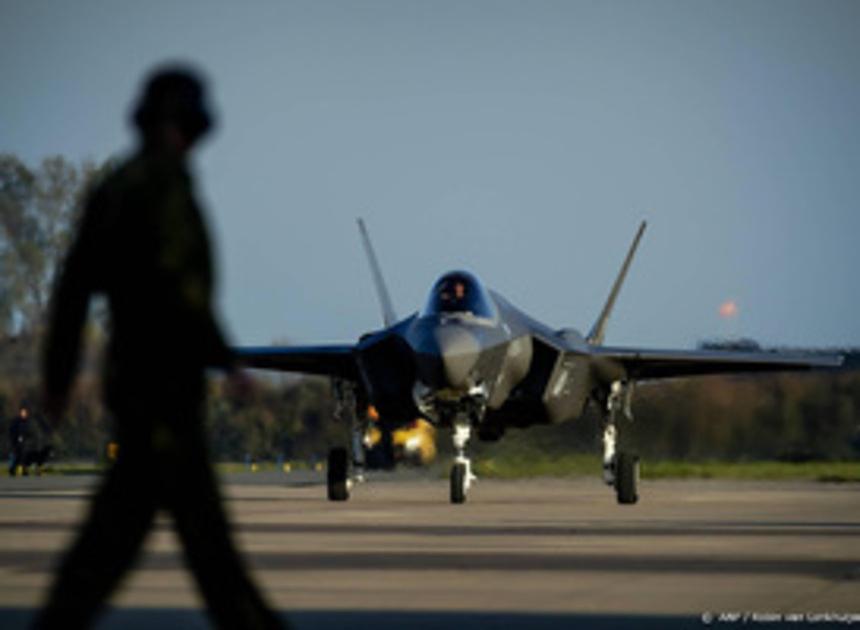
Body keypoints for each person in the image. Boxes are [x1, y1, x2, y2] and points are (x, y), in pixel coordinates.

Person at [35, 66, 284, 630]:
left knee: (114, 557)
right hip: (165, 400)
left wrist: (57, 376)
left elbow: (73, 290)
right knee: (208, 563)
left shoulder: (119, 185)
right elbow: (182, 293)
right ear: (178, 122)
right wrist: (225, 360)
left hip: (143, 394)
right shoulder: (160, 189)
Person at [8, 404, 31, 476]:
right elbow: (12, 430)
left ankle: (24, 470)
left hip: (23, 442)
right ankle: (12, 469)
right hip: (15, 442)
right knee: (15, 456)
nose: (24, 414)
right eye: (23, 412)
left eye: (25, 413)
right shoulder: (16, 421)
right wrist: (15, 438)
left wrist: (27, 438)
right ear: (20, 413)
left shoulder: (26, 422)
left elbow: (28, 432)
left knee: (23, 456)